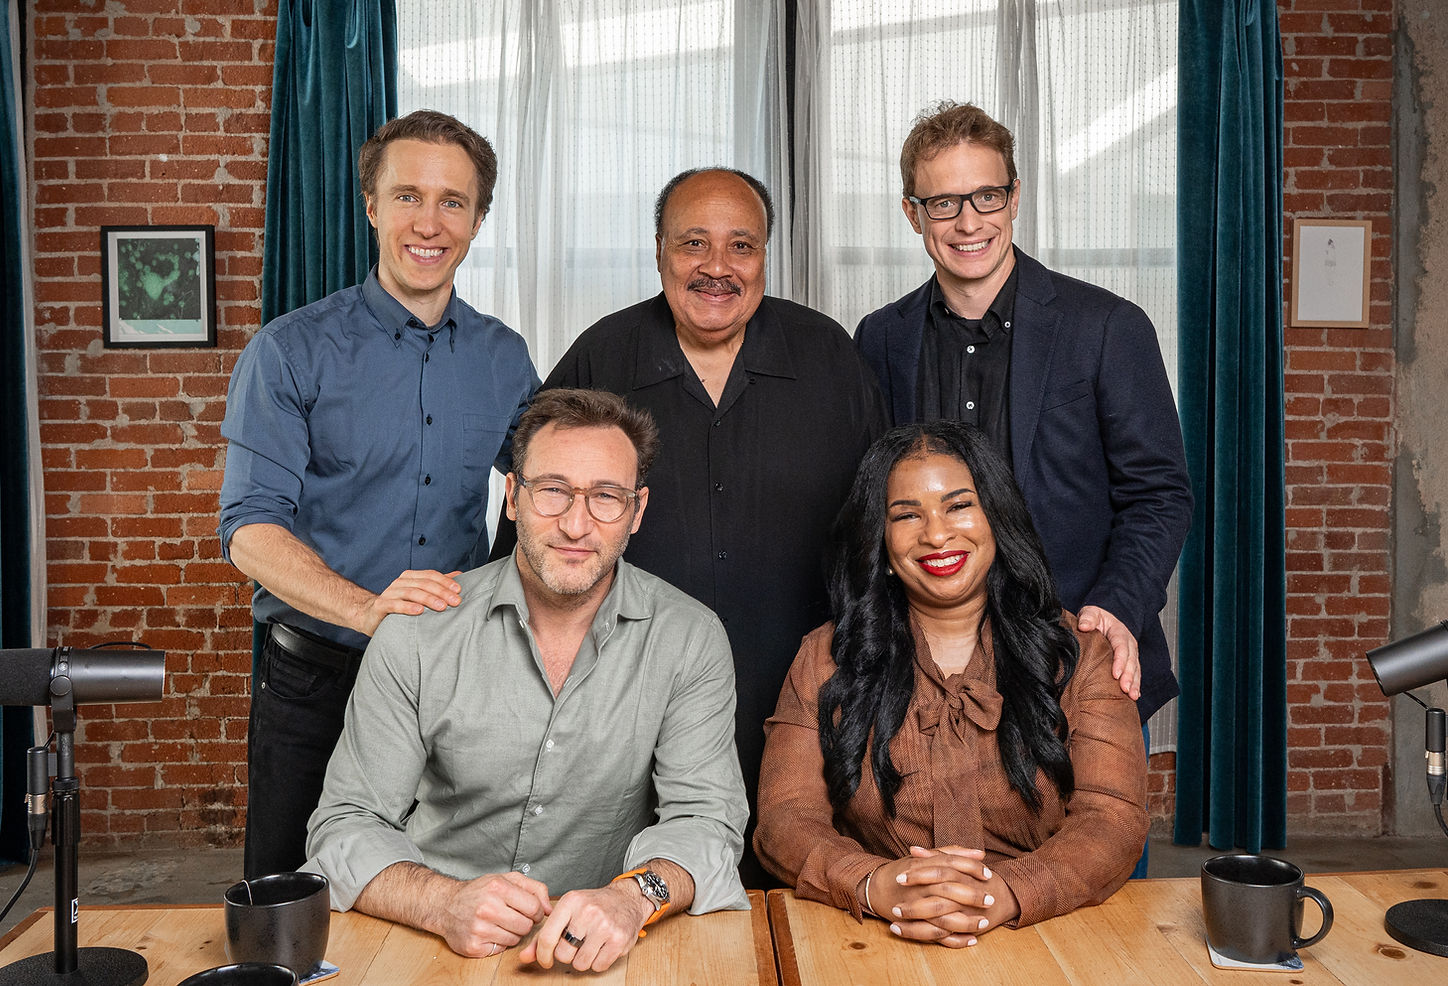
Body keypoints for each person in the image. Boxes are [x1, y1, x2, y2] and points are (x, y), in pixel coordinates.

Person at [499, 168, 889, 884]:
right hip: (623, 714)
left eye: (741, 245)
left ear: (767, 254)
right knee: (635, 904)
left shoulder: (831, 357)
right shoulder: (600, 358)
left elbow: (883, 530)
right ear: (658, 252)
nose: (717, 267)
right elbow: (528, 532)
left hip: (805, 706)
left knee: (796, 909)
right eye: (693, 244)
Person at [305, 389, 748, 973]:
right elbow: (343, 824)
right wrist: (443, 904)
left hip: (605, 951)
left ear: (637, 512)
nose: (575, 523)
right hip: (430, 942)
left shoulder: (690, 639)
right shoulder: (417, 633)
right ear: (512, 496)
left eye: (605, 498)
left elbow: (707, 822)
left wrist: (633, 898)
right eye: (553, 490)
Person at [219, 110, 539, 879]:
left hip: (452, 681)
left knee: (444, 893)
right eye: (408, 197)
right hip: (315, 678)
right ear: (371, 205)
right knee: (291, 900)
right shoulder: (289, 351)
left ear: (479, 219)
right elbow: (248, 531)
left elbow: (540, 491)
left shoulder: (504, 356)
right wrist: (366, 610)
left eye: (453, 202)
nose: (429, 223)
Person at [854, 102, 1191, 731]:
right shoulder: (879, 339)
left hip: (1079, 654)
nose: (967, 222)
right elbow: (877, 506)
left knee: (1100, 831)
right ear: (912, 213)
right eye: (943, 203)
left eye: (986, 196)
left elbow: (1160, 495)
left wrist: (1115, 607)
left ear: (1015, 198)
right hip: (929, 676)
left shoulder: (1108, 327)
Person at [754, 422, 1148, 944]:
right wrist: (873, 884)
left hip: (1045, 928)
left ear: (996, 519)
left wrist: (1004, 893)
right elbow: (784, 818)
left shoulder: (1083, 651)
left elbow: (1113, 817)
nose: (936, 534)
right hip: (872, 934)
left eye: (959, 506)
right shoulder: (825, 656)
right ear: (881, 538)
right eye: (907, 515)